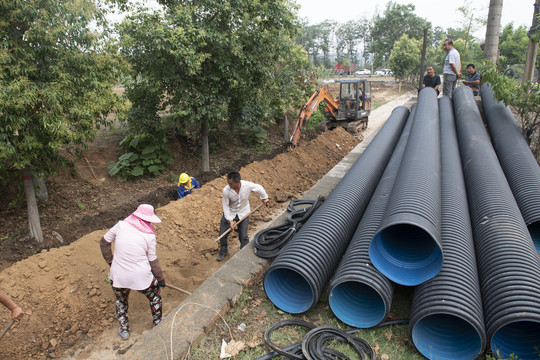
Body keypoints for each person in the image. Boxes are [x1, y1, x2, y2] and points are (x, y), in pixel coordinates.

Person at [100, 204, 165, 340]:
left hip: (118, 276)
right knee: (154, 296)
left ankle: (124, 330)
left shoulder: (121, 225)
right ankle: (158, 323)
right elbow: (152, 260)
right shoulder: (149, 235)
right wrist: (160, 279)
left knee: (121, 301)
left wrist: (111, 263)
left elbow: (104, 242)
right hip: (141, 277)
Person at [217, 171, 269, 261]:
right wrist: (230, 220)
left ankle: (244, 253)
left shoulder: (247, 185)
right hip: (231, 212)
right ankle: (223, 252)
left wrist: (264, 197)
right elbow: (225, 206)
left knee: (243, 235)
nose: (229, 185)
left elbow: (259, 187)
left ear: (238, 182)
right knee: (222, 234)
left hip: (243, 213)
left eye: (230, 183)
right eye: (228, 183)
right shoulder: (226, 190)